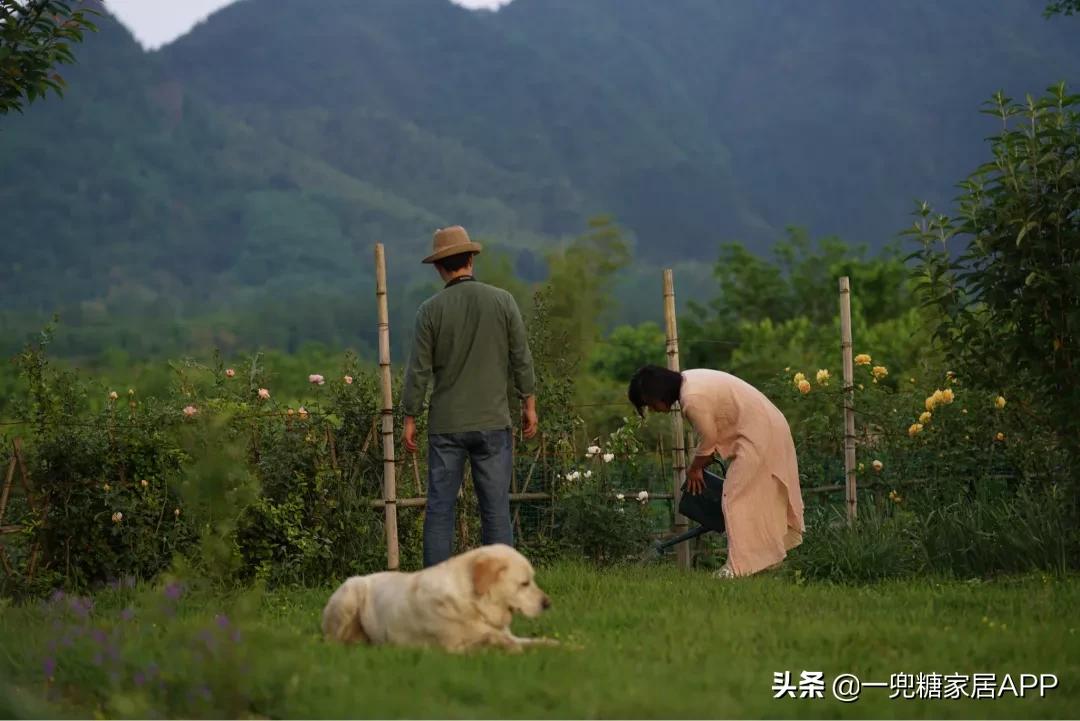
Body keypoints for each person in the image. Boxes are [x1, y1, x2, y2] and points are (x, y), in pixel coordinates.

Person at [402, 226, 539, 568]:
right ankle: (500, 585)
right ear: (472, 259)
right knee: (495, 510)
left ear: (439, 267)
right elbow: (520, 356)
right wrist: (529, 404)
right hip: (493, 422)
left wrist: (410, 417)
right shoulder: (502, 301)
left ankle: (434, 587)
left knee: (439, 511)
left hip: (446, 425)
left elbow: (418, 371)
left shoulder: (429, 311)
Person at [628, 365, 804, 578]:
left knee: (734, 497)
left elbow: (709, 439)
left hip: (762, 433)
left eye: (650, 404)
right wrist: (700, 463)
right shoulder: (690, 381)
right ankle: (759, 563)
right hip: (766, 428)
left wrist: (694, 469)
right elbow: (710, 441)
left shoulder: (691, 399)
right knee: (752, 498)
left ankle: (738, 568)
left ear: (658, 393)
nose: (654, 410)